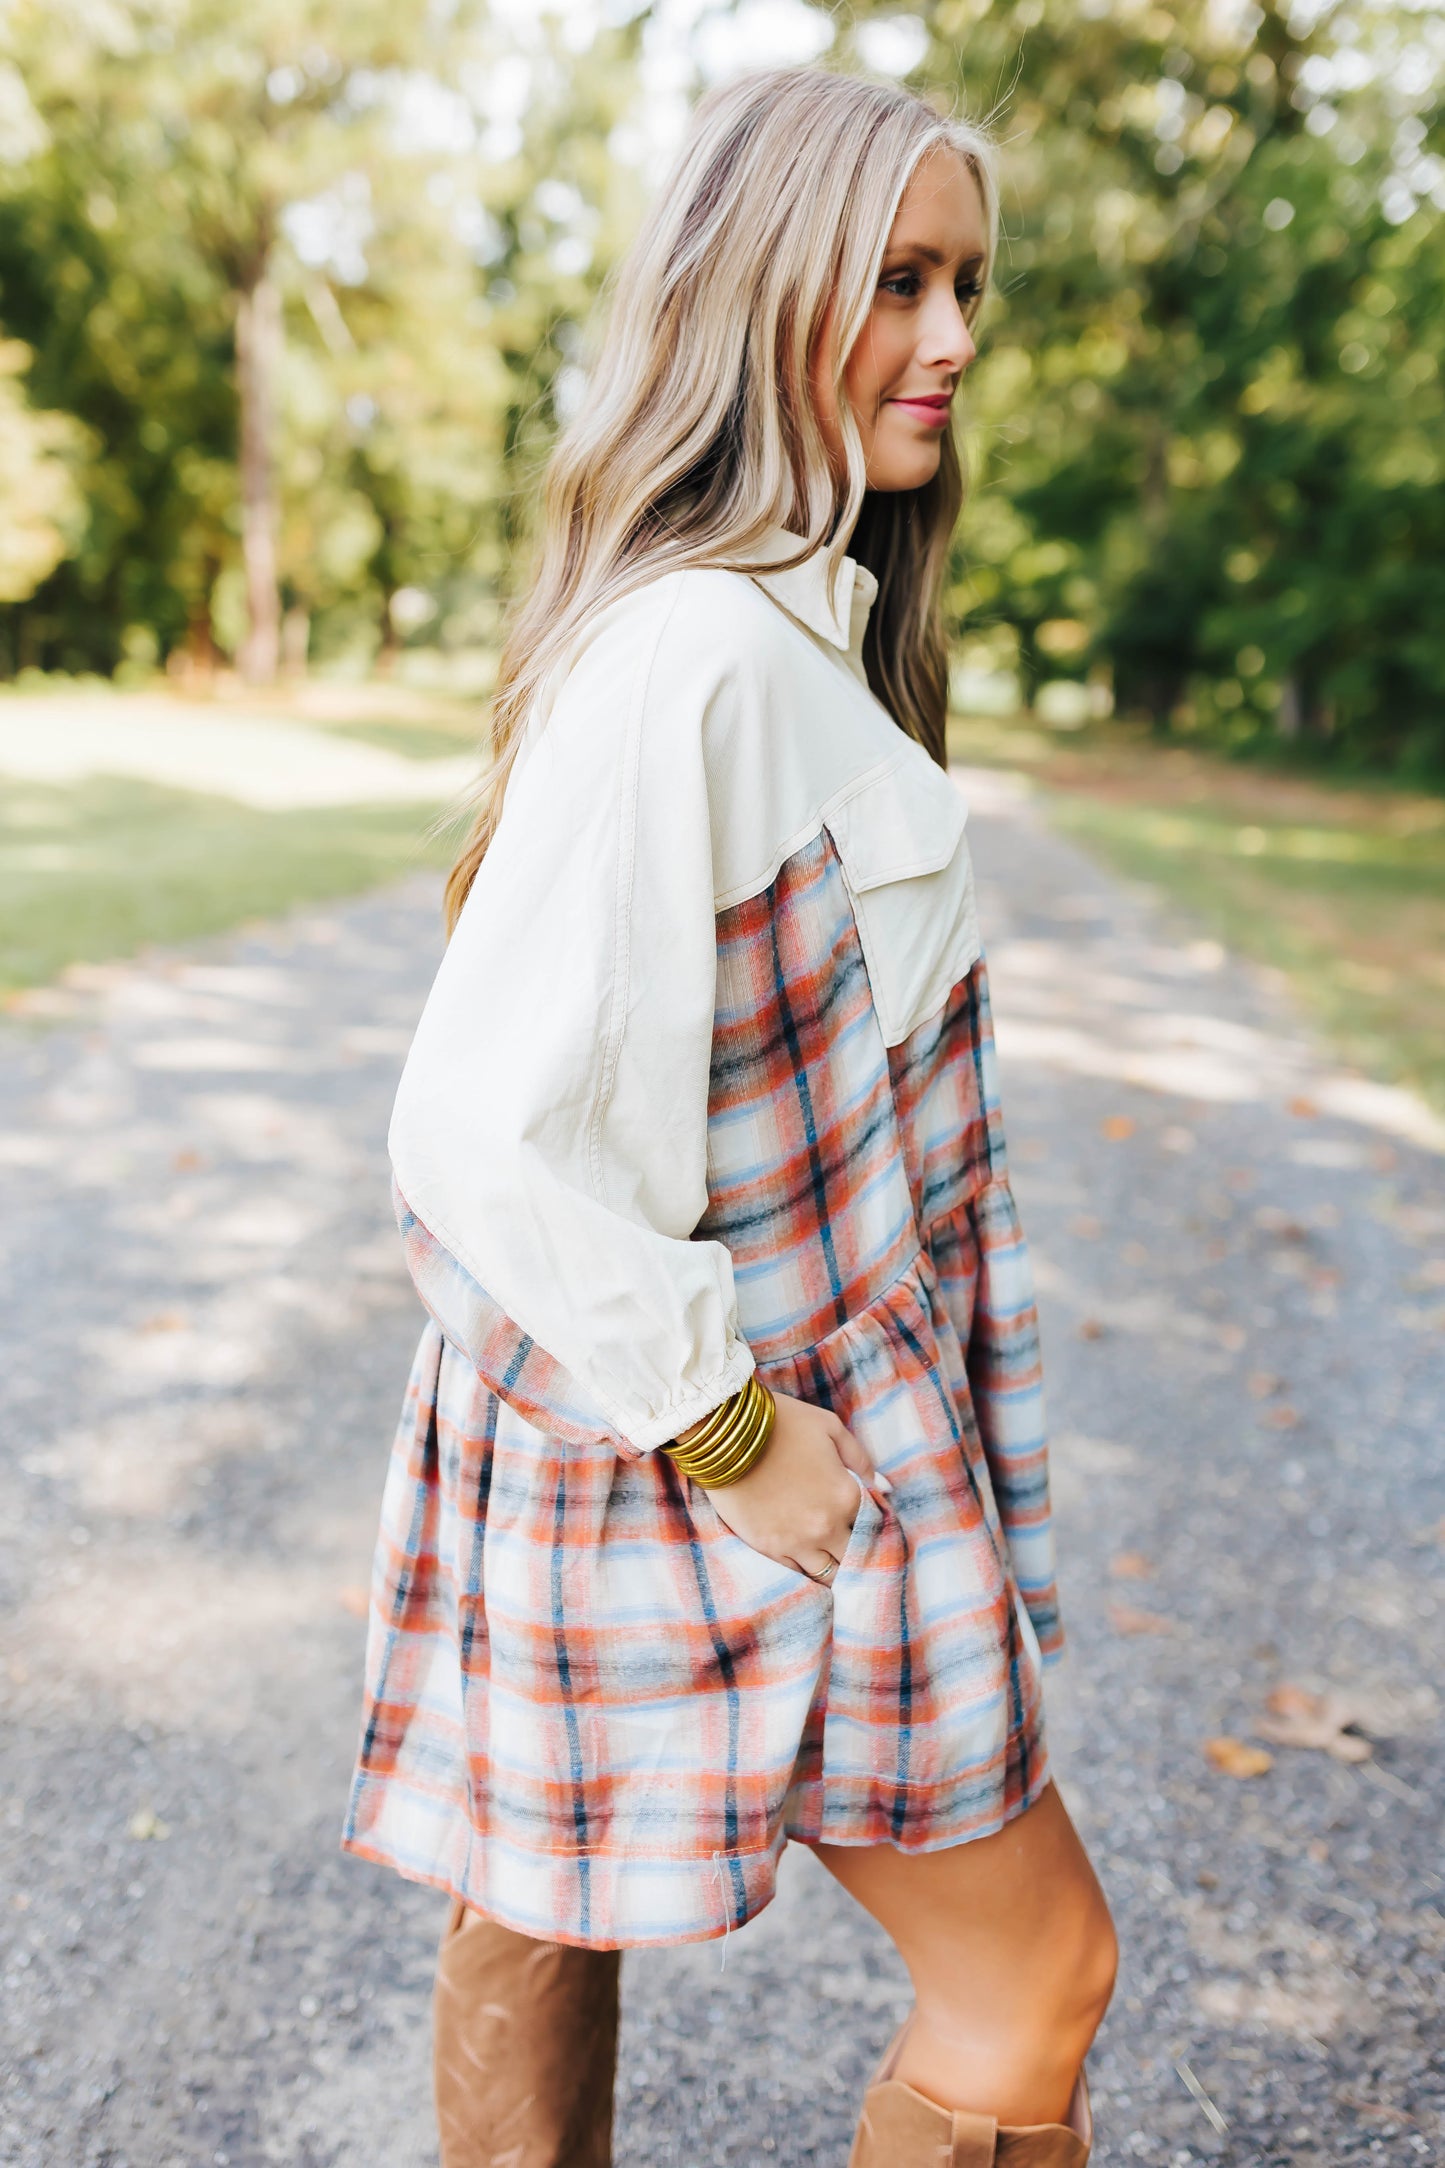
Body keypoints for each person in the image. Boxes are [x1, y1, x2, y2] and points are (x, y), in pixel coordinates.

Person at [343, 63, 1117, 2168]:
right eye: (898, 279)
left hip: (772, 1410)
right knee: (1029, 1973)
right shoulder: (698, 652)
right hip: (745, 1432)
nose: (955, 338)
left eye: (969, 285)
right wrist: (733, 1424)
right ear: (762, 295)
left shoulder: (790, 638)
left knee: (540, 1896)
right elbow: (480, 1127)